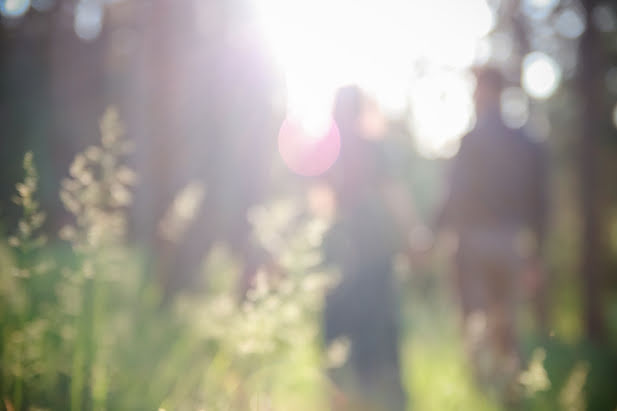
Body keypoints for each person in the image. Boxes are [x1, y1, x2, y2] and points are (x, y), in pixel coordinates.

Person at [435, 66, 548, 401]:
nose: (474, 96)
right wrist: (536, 255)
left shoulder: (471, 141)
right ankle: (513, 393)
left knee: (476, 327)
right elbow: (542, 202)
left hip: (473, 245)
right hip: (513, 245)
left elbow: (453, 194)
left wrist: (432, 235)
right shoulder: (526, 141)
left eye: (477, 88)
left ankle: (484, 394)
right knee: (508, 325)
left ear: (488, 91)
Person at [322, 86, 410, 411]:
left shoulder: (327, 148)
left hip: (338, 254)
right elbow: (394, 194)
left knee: (340, 338)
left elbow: (318, 202)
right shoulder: (374, 148)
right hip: (372, 251)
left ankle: (343, 401)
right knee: (379, 336)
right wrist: (413, 234)